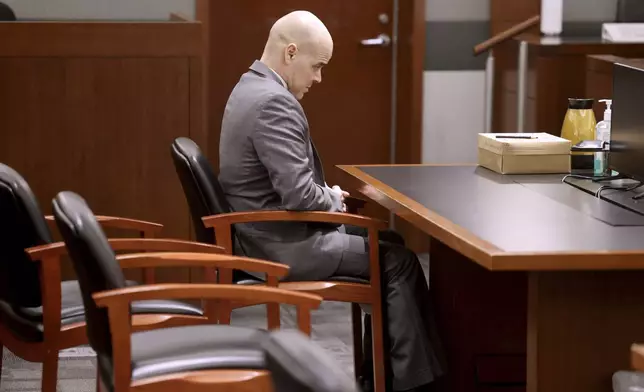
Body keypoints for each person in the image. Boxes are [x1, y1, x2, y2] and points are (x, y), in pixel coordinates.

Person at [218, 10, 444, 392]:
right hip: (281, 244)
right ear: (291, 53)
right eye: (317, 66)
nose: (319, 78)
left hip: (260, 233)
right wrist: (332, 198)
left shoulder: (247, 86)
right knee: (400, 263)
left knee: (390, 246)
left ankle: (380, 375)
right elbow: (300, 195)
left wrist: (327, 198)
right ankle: (413, 385)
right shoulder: (275, 102)